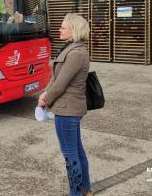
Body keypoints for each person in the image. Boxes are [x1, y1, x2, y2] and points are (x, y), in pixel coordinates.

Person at [38, 13, 93, 196]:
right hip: (68, 108)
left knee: (70, 154)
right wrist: (45, 92)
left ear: (74, 30)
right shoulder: (72, 49)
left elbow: (61, 84)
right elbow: (55, 78)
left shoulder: (76, 53)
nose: (59, 29)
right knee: (77, 151)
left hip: (67, 109)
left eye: (63, 27)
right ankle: (85, 189)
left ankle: (76, 192)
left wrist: (45, 99)